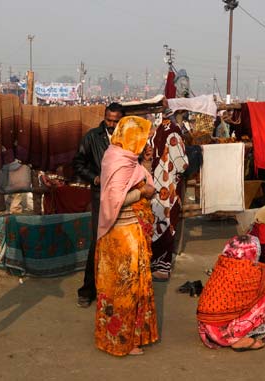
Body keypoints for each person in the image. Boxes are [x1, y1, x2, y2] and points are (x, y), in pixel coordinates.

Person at [94, 116, 159, 356]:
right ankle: (122, 339)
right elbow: (115, 200)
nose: (144, 143)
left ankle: (129, 336)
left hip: (131, 232)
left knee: (130, 287)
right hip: (122, 234)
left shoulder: (126, 158)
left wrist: (147, 165)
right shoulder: (118, 161)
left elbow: (142, 179)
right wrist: (142, 191)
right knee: (125, 288)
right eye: (141, 138)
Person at [197, 235, 265, 351]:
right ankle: (238, 338)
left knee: (254, 292)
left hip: (206, 327)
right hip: (223, 333)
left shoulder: (222, 264)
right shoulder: (256, 273)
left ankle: (234, 333)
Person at [73, 102, 124, 307]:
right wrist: (94, 178)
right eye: (108, 120)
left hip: (123, 197)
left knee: (119, 244)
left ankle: (114, 291)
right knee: (97, 242)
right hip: (100, 196)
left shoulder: (128, 139)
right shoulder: (92, 137)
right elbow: (78, 163)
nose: (111, 125)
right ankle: (87, 290)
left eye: (115, 121)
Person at [148, 112, 189, 281]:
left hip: (153, 184)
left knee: (155, 224)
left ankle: (153, 262)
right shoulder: (173, 131)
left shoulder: (155, 130)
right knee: (168, 224)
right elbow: (181, 164)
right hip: (169, 186)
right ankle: (163, 268)